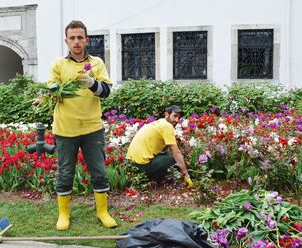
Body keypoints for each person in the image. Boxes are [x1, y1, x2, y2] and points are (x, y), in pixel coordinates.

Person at [49, 20, 116, 230]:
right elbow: (52, 91)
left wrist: (92, 83)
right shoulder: (59, 64)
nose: (76, 42)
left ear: (86, 40)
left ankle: (102, 212)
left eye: (80, 37)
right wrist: (54, 90)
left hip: (91, 128)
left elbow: (106, 92)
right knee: (66, 172)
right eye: (72, 38)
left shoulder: (97, 63)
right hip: (65, 129)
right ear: (66, 41)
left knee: (98, 171)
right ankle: (63, 214)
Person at [126, 105, 194, 187]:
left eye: (178, 117)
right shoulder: (167, 126)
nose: (176, 120)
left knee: (165, 154)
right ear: (166, 114)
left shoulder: (159, 123)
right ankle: (153, 179)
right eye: (175, 116)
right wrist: (186, 175)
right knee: (175, 160)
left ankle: (154, 179)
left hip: (131, 164)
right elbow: (176, 153)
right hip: (142, 166)